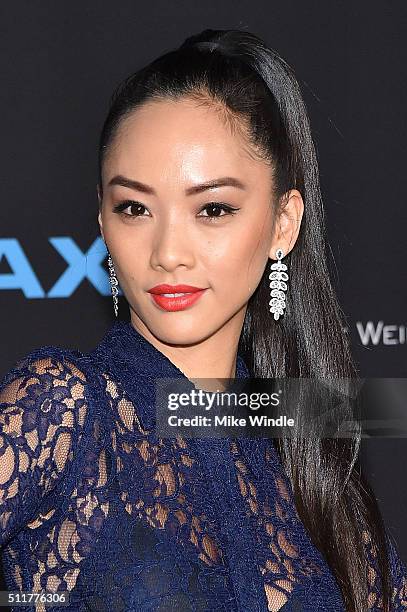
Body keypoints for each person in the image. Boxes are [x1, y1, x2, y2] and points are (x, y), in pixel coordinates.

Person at [0, 28, 406, 612]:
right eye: (134, 208)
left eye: (212, 209)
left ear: (283, 224)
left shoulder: (309, 445)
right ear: (102, 218)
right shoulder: (66, 410)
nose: (169, 251)